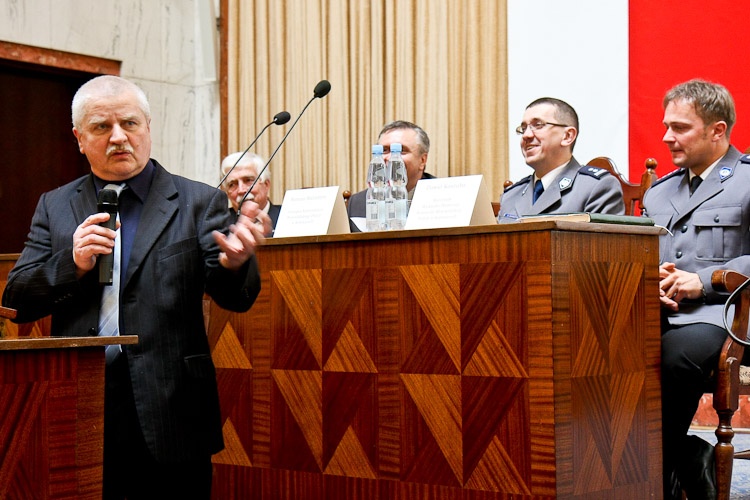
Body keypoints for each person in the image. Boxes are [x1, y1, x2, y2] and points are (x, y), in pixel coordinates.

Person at [1, 75, 268, 499]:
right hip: (79, 403)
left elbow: (237, 297)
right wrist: (72, 263)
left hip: (172, 408)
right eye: (101, 127)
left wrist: (235, 263)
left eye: (129, 123)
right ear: (79, 138)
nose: (118, 137)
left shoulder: (199, 202)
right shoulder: (55, 205)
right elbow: (17, 300)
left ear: (148, 127)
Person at [641, 78, 750, 500]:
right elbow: (643, 252)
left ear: (717, 130)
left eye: (680, 128)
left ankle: (653, 473)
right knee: (602, 347)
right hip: (664, 311)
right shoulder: (660, 192)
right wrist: (649, 279)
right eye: (666, 126)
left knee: (675, 357)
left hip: (727, 313)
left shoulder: (746, 179)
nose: (667, 137)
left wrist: (701, 281)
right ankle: (683, 455)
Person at [497, 97, 625, 221]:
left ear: (567, 136)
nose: (526, 135)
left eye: (538, 125)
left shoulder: (595, 187)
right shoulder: (510, 196)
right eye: (523, 129)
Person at [347, 120, 435, 224]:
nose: (390, 158)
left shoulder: (441, 197)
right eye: (384, 150)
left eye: (401, 151)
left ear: (422, 160)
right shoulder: (357, 203)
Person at [220, 151, 280, 236]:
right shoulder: (220, 224)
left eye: (248, 180)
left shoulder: (288, 217)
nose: (241, 190)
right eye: (232, 184)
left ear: (266, 184)